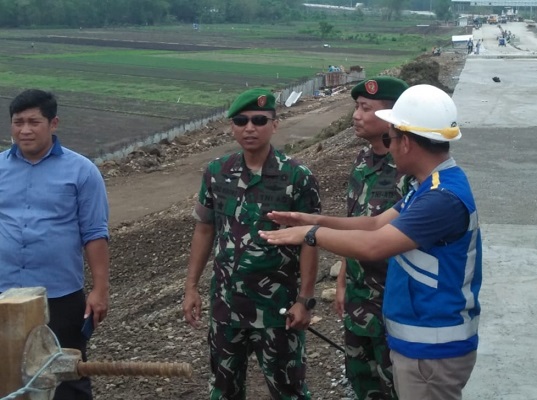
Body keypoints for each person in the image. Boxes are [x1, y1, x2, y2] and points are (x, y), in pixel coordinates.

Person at [260, 84, 482, 400]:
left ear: (406, 142)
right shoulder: (430, 186)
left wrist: (310, 236)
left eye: (390, 138)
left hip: (432, 348)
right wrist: (314, 220)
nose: (388, 148)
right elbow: (374, 223)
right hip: (420, 341)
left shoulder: (440, 198)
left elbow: (373, 244)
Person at [182, 88, 322, 400]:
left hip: (277, 309)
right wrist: (191, 287)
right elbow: (204, 229)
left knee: (289, 390)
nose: (249, 127)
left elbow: (311, 242)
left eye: (259, 120)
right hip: (226, 306)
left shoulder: (296, 177)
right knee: (223, 390)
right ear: (232, 126)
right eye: (241, 120)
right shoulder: (217, 173)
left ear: (275, 124)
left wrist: (305, 300)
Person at [0, 89, 110, 400]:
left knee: (66, 378)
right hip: (3, 293)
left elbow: (94, 233)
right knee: (7, 376)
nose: (24, 130)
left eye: (34, 122)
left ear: (54, 123)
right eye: (18, 122)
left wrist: (100, 290)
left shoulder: (82, 171)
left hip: (59, 297)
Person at [336, 76, 409, 400]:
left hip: (393, 304)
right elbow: (352, 225)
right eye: (356, 107)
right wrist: (341, 278)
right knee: (361, 382)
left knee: (397, 386)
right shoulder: (362, 161)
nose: (356, 115)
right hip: (357, 298)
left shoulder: (408, 169)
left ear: (391, 116)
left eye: (365, 108)